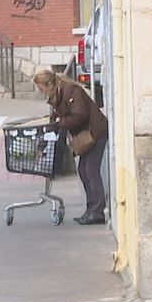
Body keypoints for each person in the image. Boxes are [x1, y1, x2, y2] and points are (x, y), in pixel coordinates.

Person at [33, 69, 109, 225]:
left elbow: (80, 115)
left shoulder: (71, 91)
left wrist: (59, 124)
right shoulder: (57, 95)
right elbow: (56, 117)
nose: (42, 93)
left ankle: (97, 211)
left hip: (95, 132)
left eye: (42, 89)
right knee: (83, 170)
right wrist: (49, 133)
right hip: (86, 135)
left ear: (50, 84)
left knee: (90, 170)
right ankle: (91, 209)